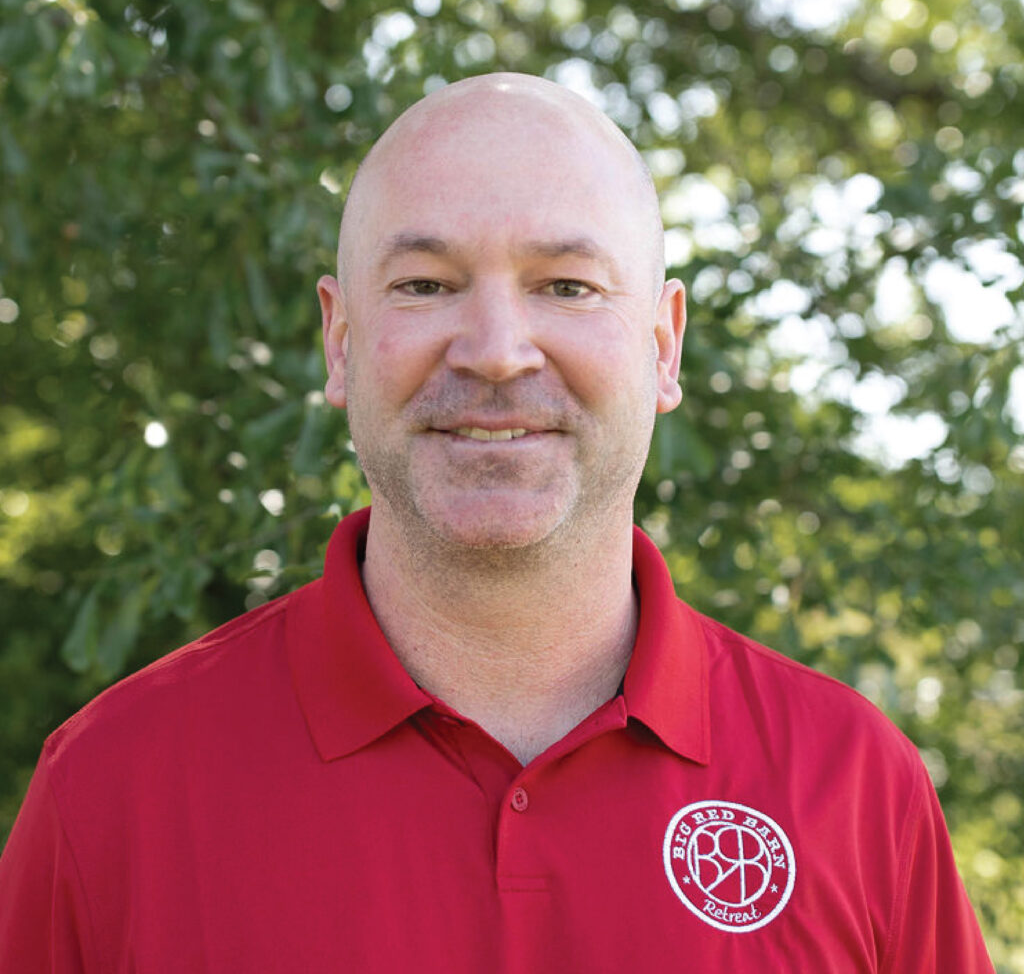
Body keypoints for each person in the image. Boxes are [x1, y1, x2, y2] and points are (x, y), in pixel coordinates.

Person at [0, 73, 993, 972]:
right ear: (339, 341)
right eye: (426, 284)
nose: (494, 351)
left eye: (565, 285)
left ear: (663, 344)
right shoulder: (111, 790)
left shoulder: (854, 788)